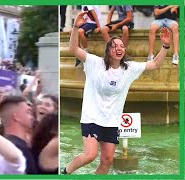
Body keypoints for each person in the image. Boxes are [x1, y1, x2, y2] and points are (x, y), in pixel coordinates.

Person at [62, 12, 172, 175]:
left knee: (107, 161)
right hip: (92, 117)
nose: (119, 49)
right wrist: (76, 28)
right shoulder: (95, 63)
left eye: (121, 46)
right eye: (114, 46)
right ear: (108, 50)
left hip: (111, 121)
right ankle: (64, 173)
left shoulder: (129, 68)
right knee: (90, 155)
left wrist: (165, 46)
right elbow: (73, 49)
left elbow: (155, 64)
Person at [0, 96, 39, 174]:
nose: (32, 117)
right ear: (16, 116)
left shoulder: (7, 145)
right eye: (28, 112)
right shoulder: (16, 149)